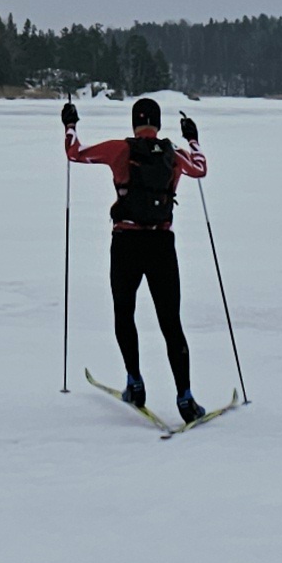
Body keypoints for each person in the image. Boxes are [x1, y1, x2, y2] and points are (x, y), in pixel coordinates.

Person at [63, 93, 209, 421]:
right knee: (171, 323)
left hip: (126, 243)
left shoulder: (120, 149)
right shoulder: (173, 154)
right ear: (158, 124)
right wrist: (193, 139)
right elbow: (200, 169)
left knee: (124, 312)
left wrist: (70, 124)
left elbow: (75, 153)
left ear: (134, 124)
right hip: (161, 245)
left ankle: (135, 382)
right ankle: (185, 398)